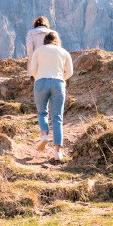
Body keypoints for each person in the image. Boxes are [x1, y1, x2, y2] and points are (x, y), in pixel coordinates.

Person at [27, 32, 74, 161]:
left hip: (41, 81)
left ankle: (44, 136)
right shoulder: (64, 52)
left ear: (45, 41)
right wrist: (61, 79)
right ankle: (57, 152)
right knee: (57, 117)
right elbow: (70, 72)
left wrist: (39, 79)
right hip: (58, 83)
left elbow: (33, 70)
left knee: (42, 112)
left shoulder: (38, 51)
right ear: (57, 40)